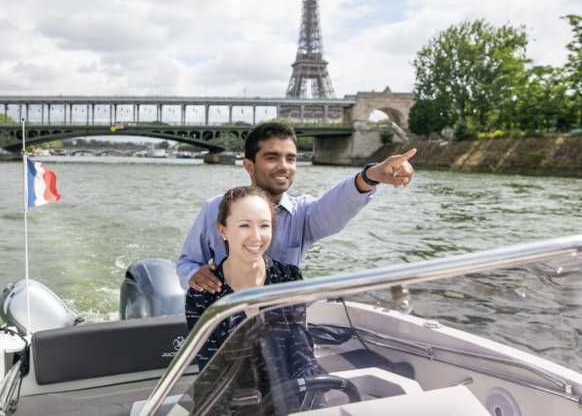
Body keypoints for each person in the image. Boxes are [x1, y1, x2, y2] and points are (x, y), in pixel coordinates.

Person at [177, 122, 416, 293]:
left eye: (290, 158)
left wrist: (372, 175)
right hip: (226, 322)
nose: (284, 166)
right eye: (272, 157)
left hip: (282, 322)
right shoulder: (214, 209)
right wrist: (193, 276)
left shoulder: (304, 214)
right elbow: (187, 262)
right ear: (249, 166)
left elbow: (338, 203)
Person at [185, 186, 317, 373]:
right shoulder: (202, 295)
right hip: (229, 398)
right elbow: (212, 373)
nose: (256, 237)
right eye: (244, 225)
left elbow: (301, 355)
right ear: (223, 231)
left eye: (264, 225)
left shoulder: (290, 279)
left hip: (287, 395)